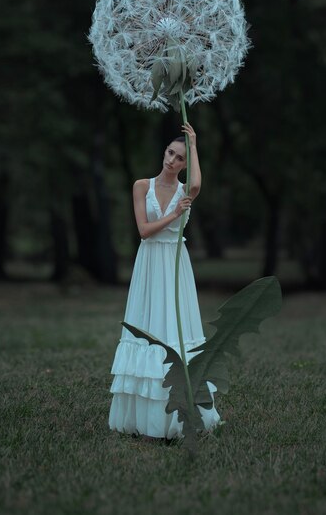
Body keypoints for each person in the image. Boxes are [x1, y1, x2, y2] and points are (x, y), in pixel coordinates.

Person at [108, 122, 220, 439]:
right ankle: (144, 418)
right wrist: (173, 216)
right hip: (150, 261)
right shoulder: (141, 186)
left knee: (176, 328)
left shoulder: (187, 190)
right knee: (149, 327)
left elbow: (197, 183)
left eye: (180, 158)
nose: (172, 161)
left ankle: (182, 415)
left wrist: (194, 144)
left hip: (175, 263)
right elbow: (143, 230)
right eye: (170, 153)